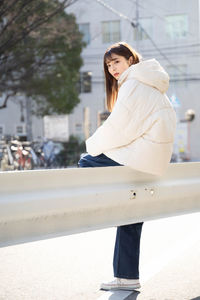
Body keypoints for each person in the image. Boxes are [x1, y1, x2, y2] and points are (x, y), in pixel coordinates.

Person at [78, 42, 176, 291]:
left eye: (117, 62)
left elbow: (119, 128)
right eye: (109, 65)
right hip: (151, 161)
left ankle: (100, 206)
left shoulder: (134, 83)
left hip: (140, 156)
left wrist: (90, 146)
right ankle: (126, 276)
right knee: (130, 214)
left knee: (86, 161)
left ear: (130, 60)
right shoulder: (151, 83)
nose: (112, 69)